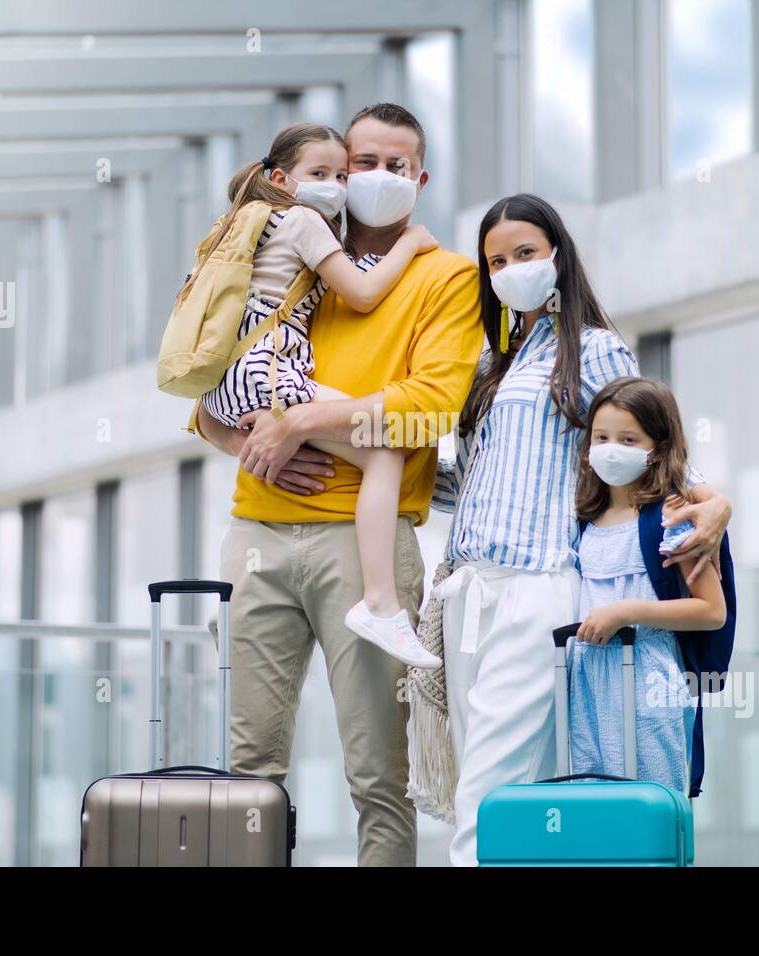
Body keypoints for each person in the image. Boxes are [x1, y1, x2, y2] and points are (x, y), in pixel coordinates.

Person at [187, 103, 484, 867]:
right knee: (249, 770)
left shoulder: (445, 277)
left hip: (367, 542)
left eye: (397, 166)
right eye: (362, 164)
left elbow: (430, 411)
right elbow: (213, 381)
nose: (377, 179)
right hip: (255, 530)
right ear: (335, 171)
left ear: (420, 179)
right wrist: (237, 432)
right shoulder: (291, 255)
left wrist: (300, 422)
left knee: (380, 778)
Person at [424, 193, 732, 866]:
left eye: (525, 253)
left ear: (557, 256)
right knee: (494, 780)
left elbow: (655, 444)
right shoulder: (492, 365)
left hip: (538, 585)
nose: (511, 268)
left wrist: (715, 503)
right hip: (468, 592)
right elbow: (471, 482)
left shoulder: (591, 349)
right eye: (496, 260)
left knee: (487, 793)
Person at [194, 121, 441, 668]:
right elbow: (362, 292)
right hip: (269, 375)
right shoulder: (304, 221)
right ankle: (380, 602)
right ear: (282, 179)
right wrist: (413, 243)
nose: (335, 185)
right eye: (323, 173)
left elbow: (433, 406)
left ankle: (376, 602)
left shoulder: (249, 222)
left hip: (231, 382)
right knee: (383, 451)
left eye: (338, 174)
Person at [568, 376, 728, 793]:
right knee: (596, 817)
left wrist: (625, 612)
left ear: (656, 448)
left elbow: (712, 610)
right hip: (588, 684)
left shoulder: (671, 518)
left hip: (649, 681)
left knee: (653, 811)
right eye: (601, 437)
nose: (610, 449)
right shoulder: (584, 520)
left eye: (628, 439)